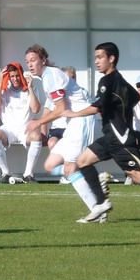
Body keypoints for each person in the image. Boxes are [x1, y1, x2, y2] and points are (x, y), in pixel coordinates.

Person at [63, 42, 140, 228]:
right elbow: (133, 97)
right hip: (111, 136)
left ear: (112, 59)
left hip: (120, 139)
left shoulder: (108, 81)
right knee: (82, 161)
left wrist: (72, 113)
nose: (96, 61)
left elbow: (96, 107)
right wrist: (118, 109)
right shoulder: (120, 80)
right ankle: (102, 203)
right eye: (95, 57)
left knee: (137, 175)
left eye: (100, 57)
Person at [23, 45, 101, 214]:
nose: (30, 65)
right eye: (27, 61)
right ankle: (93, 186)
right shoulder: (47, 77)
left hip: (82, 120)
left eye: (33, 60)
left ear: (43, 60)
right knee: (50, 166)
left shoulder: (52, 76)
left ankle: (96, 207)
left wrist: (37, 123)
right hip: (73, 123)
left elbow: (59, 109)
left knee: (70, 168)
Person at [0, 62, 42, 183]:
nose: (15, 79)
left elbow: (35, 109)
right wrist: (0, 82)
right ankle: (5, 173)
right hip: (8, 128)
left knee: (37, 136)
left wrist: (29, 87)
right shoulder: (4, 90)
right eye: (12, 76)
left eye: (17, 75)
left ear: (21, 75)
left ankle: (28, 174)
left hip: (26, 128)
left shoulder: (31, 89)